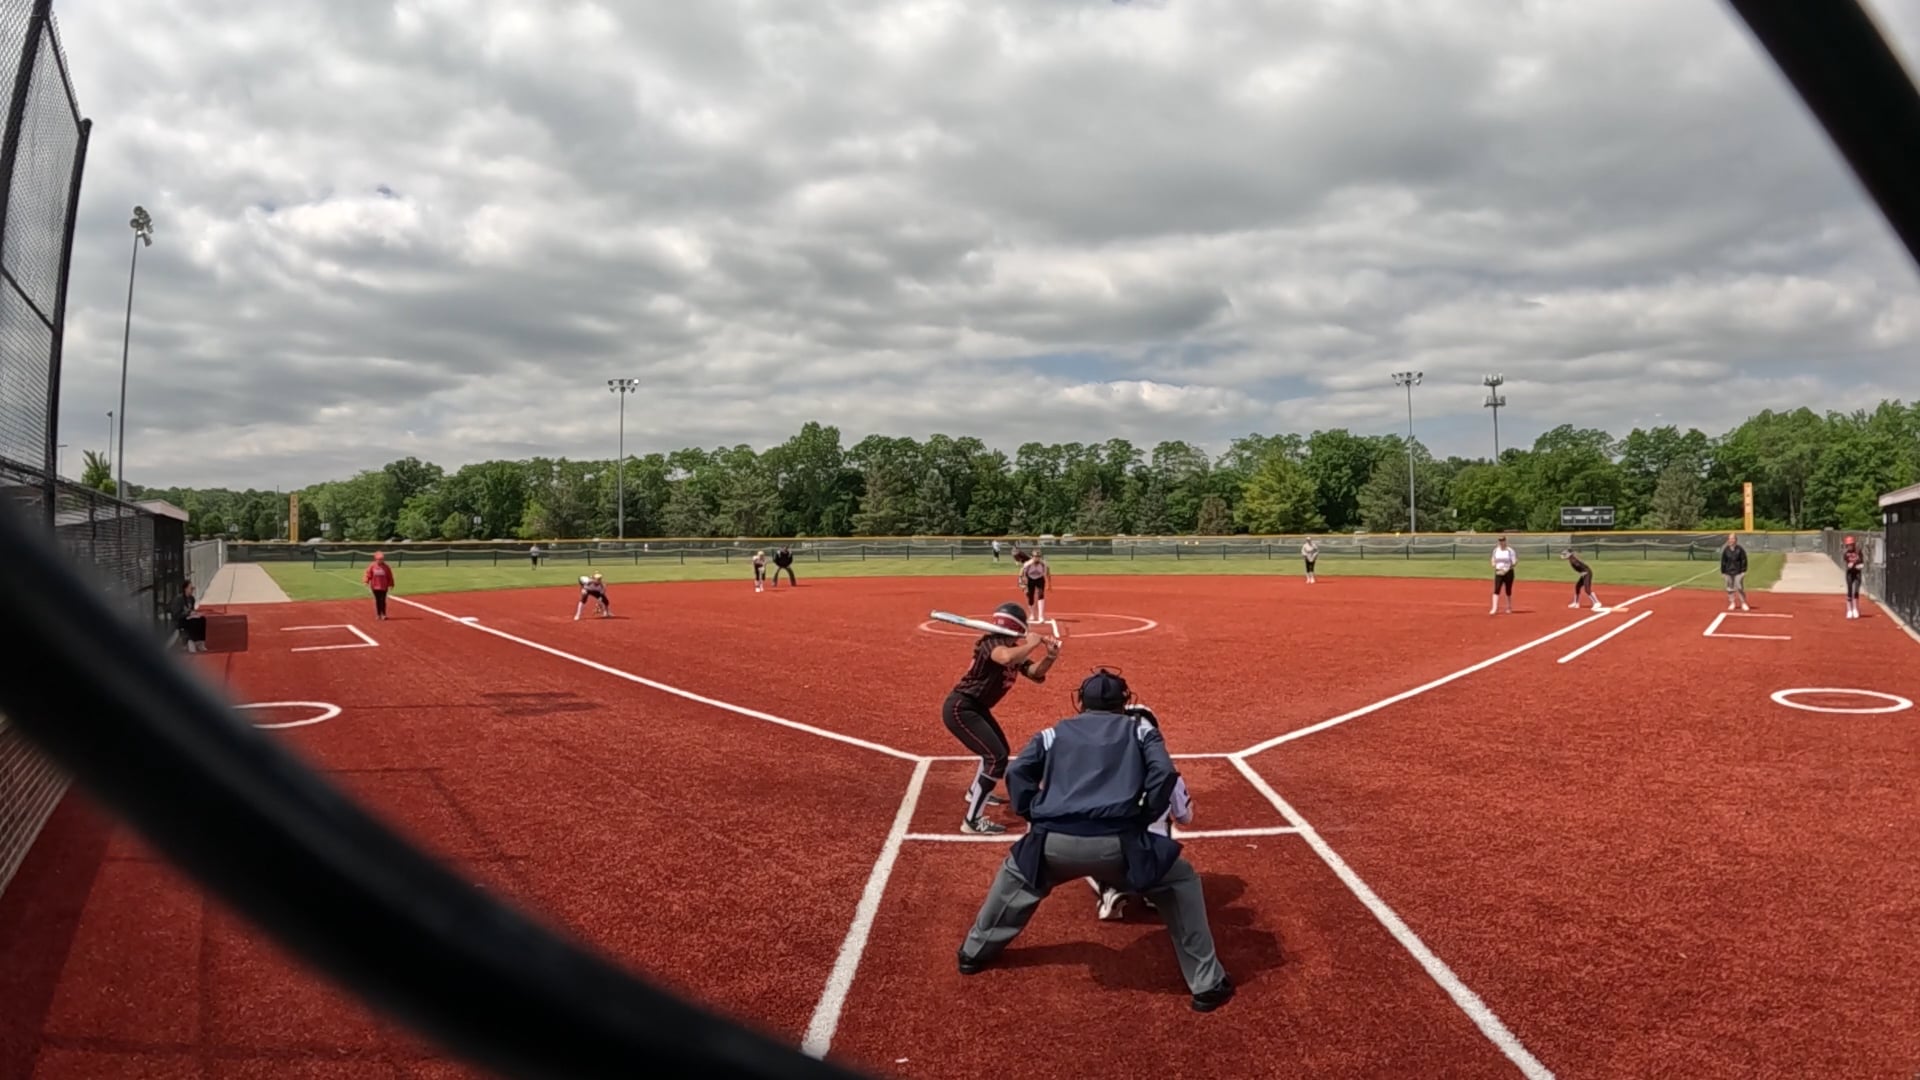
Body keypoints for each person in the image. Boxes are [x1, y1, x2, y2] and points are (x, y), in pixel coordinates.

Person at [956, 669, 1234, 1014]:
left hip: (1052, 844)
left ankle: (973, 953)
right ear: (1124, 702)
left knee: (1016, 876)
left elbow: (1017, 772)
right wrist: (1144, 814)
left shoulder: (1053, 733)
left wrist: (1033, 811)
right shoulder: (1141, 731)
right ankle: (1207, 984)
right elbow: (1164, 773)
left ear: (1081, 702)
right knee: (1181, 881)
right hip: (1119, 846)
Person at [942, 601, 1060, 834]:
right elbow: (1005, 657)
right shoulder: (991, 644)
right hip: (961, 708)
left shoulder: (1012, 648)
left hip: (977, 708)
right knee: (996, 757)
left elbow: (1035, 673)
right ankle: (972, 821)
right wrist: (1031, 643)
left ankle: (975, 791)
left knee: (999, 751)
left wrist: (1050, 657)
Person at [1088, 702, 1191, 921]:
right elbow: (1186, 817)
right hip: (1154, 855)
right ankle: (1155, 890)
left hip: (1113, 852)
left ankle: (1110, 889)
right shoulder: (1168, 771)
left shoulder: (1098, 770)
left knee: (1084, 836)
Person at [174, 580, 207, 653]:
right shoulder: (179, 599)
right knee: (193, 622)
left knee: (202, 619)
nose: (192, 590)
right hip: (181, 619)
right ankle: (191, 641)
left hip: (189, 617)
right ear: (185, 589)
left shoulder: (192, 598)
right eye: (191, 588)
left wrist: (194, 613)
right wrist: (188, 613)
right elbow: (176, 614)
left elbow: (192, 610)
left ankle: (200, 642)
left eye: (192, 588)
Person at [1721, 534, 1750, 612]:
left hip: (1738, 571)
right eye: (1729, 539)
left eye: (1732, 538)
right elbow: (1723, 561)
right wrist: (1723, 572)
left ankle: (1743, 603)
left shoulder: (1740, 549)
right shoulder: (1726, 550)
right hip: (1728, 571)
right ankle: (1732, 602)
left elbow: (1744, 560)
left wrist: (1743, 571)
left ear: (1735, 540)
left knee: (1739, 587)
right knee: (1730, 588)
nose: (1731, 540)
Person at [1022, 550, 1050, 624]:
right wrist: (1024, 585)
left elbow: (1047, 573)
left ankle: (1041, 616)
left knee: (1041, 595)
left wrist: (1049, 584)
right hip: (1030, 579)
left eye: (1038, 556)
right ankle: (1032, 614)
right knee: (1030, 597)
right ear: (1032, 557)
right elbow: (1023, 575)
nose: (1037, 558)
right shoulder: (1027, 564)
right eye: (1035, 556)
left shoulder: (1043, 564)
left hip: (1039, 579)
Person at [1490, 536, 1516, 615]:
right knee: (1496, 589)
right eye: (1500, 541)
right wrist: (1493, 564)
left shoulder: (1510, 550)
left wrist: (1506, 570)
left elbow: (1514, 562)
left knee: (1508, 590)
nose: (1501, 542)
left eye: (1502, 540)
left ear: (1505, 541)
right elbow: (1493, 559)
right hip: (1499, 572)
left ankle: (1509, 607)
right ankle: (1494, 608)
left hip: (1508, 572)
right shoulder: (1496, 550)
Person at [364, 552, 394, 621]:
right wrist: (366, 581)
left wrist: (391, 584)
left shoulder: (386, 567)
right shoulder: (372, 566)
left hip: (384, 586)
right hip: (375, 586)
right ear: (376, 559)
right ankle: (378, 614)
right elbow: (368, 574)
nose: (381, 560)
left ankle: (383, 614)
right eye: (379, 559)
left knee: (383, 600)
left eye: (382, 559)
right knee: (377, 600)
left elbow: (390, 576)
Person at [1843, 535, 1865, 619]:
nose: (1850, 546)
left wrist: (1859, 566)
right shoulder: (1846, 553)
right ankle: (1849, 610)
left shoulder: (1858, 551)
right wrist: (1849, 565)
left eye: (1851, 544)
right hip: (1849, 573)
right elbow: (1847, 563)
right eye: (1848, 545)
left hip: (1857, 573)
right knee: (1849, 590)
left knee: (1856, 591)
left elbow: (1862, 562)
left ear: (1853, 544)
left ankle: (1855, 609)